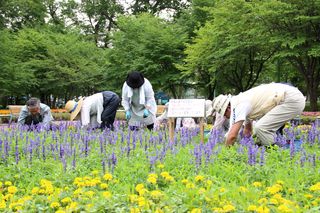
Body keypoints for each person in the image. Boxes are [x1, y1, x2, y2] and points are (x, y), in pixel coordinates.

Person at [211, 82, 305, 146]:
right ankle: (273, 149)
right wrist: (248, 144)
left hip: (291, 99)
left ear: (228, 108)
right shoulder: (242, 103)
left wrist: (227, 153)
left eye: (224, 113)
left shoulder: (238, 105)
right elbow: (248, 131)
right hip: (289, 98)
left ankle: (276, 153)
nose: (225, 117)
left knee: (261, 128)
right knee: (259, 133)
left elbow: (231, 136)